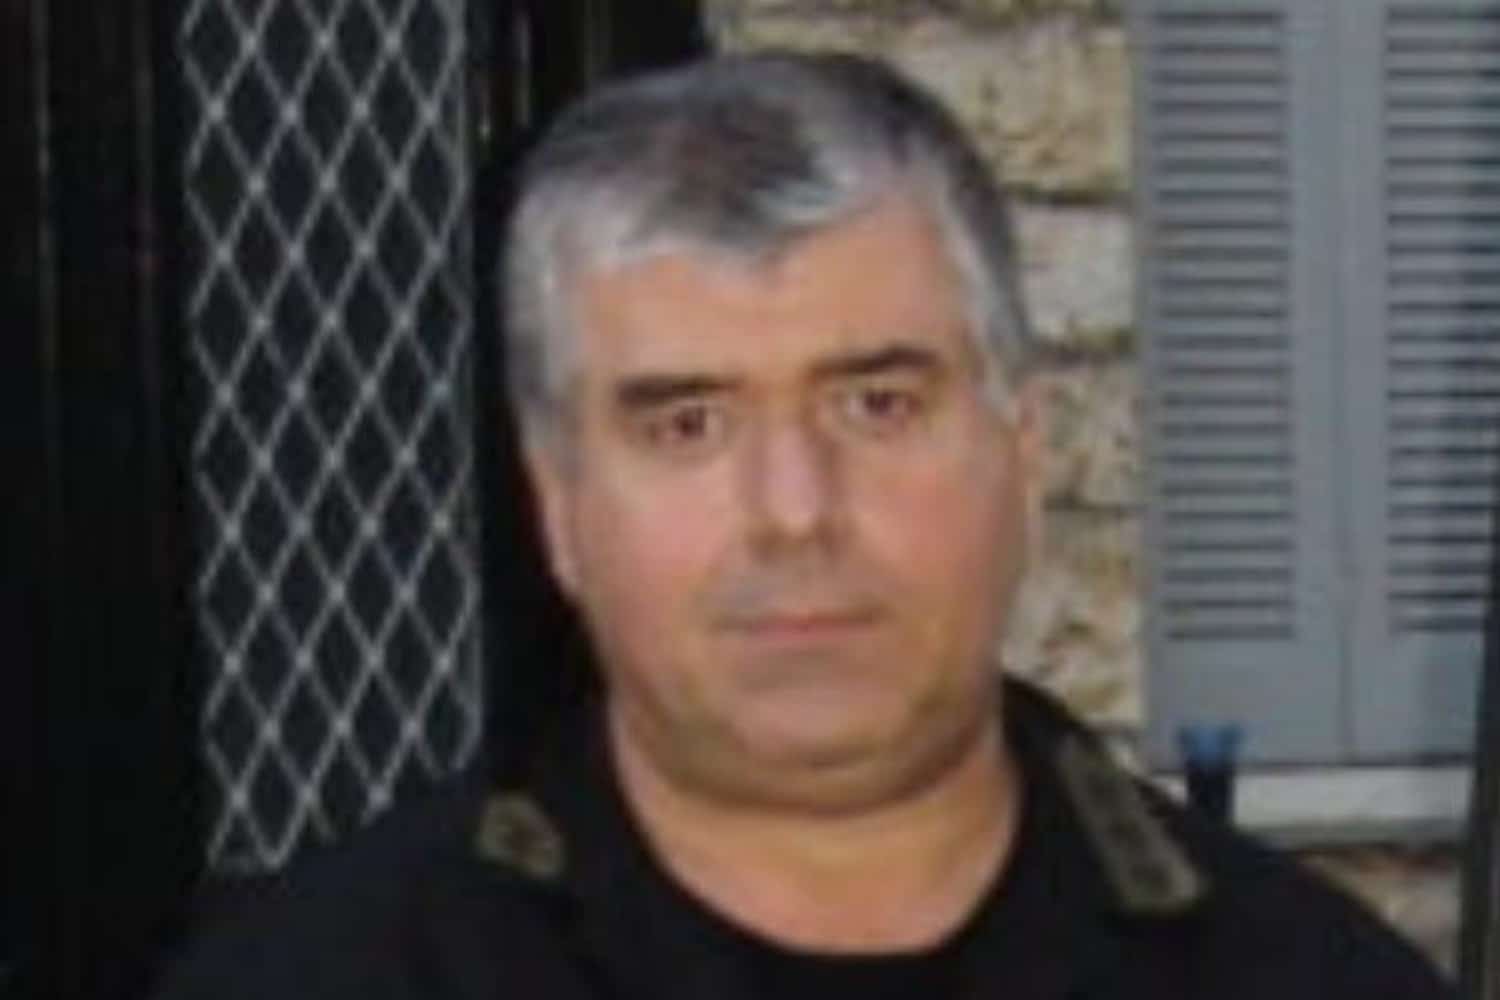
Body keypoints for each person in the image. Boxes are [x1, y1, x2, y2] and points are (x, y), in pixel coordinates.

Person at [154, 51, 1457, 999]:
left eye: (878, 404)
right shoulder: (330, 977)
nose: (793, 511)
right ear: (558, 506)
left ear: (1023, 454)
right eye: (686, 424)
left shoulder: (1304, 978)